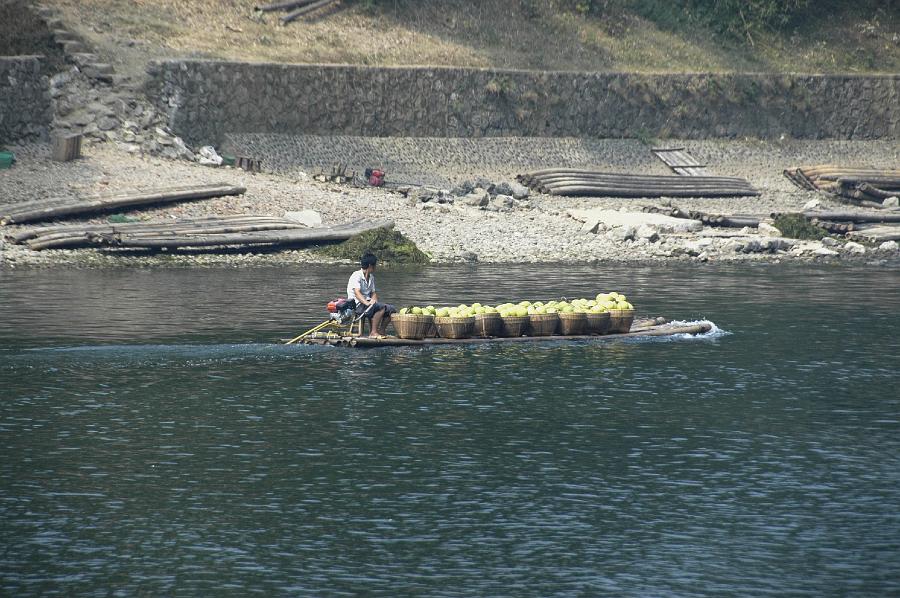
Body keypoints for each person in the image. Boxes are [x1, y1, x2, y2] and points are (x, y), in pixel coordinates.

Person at [347, 251, 396, 338]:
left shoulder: (371, 277)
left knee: (391, 310)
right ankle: (373, 332)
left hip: (367, 303)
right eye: (375, 265)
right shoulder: (356, 275)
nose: (375, 267)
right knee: (382, 307)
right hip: (357, 304)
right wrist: (367, 303)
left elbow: (373, 293)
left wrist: (375, 302)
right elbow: (357, 293)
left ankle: (381, 331)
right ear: (370, 266)